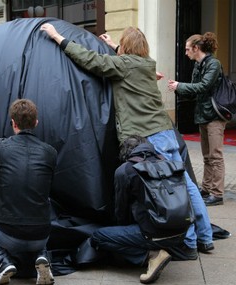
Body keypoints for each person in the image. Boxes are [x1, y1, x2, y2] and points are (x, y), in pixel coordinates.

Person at [40, 24, 214, 255]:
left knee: (168, 190)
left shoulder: (124, 65)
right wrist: (113, 44)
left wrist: (57, 37)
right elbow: (126, 58)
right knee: (187, 186)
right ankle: (204, 237)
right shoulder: (147, 64)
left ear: (127, 47)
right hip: (166, 131)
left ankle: (188, 242)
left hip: (150, 136)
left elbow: (90, 59)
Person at [0, 99, 57, 285]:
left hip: (7, 234)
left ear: (13, 122)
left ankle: (3, 260)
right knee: (45, 202)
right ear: (36, 123)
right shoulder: (50, 152)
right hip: (41, 235)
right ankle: (42, 255)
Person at [91, 135, 189, 284]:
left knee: (99, 236)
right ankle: (164, 248)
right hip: (182, 231)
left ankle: (152, 255)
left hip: (153, 233)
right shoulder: (168, 163)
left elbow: (121, 210)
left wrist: (122, 231)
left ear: (125, 152)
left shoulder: (125, 170)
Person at [168, 32, 225, 207]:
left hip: (214, 115)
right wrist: (178, 87)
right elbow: (195, 89)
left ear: (196, 48)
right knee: (207, 156)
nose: (186, 53)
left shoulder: (214, 64)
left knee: (215, 155)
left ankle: (217, 193)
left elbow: (203, 86)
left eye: (187, 49)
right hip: (203, 114)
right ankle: (207, 188)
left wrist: (180, 86)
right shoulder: (199, 65)